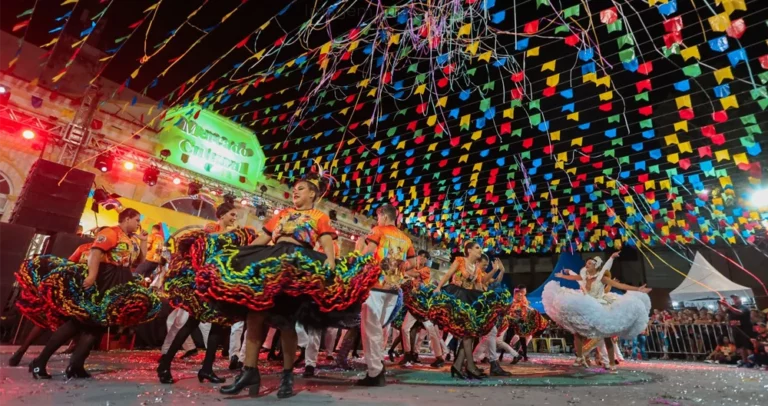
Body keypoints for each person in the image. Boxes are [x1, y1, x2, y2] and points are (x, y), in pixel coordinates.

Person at [195, 171, 379, 398]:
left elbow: (326, 240)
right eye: (295, 189)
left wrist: (330, 261)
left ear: (312, 193)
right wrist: (242, 255)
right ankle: (249, 371)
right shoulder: (283, 214)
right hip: (272, 261)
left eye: (301, 189)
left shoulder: (318, 216)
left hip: (296, 266)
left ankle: (287, 375)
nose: (295, 191)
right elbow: (264, 237)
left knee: (286, 322)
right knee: (255, 315)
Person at [19, 208, 161, 379]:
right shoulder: (111, 232)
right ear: (127, 218)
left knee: (98, 325)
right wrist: (92, 276)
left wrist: (144, 242)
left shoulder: (132, 240)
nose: (139, 224)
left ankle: (76, 365)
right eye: (137, 220)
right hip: (105, 279)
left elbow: (139, 261)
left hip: (120, 280)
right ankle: (40, 361)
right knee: (79, 322)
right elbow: (95, 252)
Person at [157, 201, 257, 384]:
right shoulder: (211, 229)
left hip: (220, 284)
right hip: (204, 285)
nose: (234, 219)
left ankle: (207, 368)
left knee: (218, 325)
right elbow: (209, 246)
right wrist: (234, 234)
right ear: (222, 216)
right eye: (232, 215)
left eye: (235, 216)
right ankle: (165, 363)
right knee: (190, 324)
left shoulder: (233, 235)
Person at [411, 241, 512, 379]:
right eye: (477, 248)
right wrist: (439, 287)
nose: (480, 250)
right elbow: (447, 275)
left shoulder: (476, 268)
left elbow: (479, 285)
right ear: (469, 250)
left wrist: (487, 296)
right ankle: (469, 366)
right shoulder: (460, 260)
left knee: (469, 333)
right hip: (457, 297)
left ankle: (458, 366)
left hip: (469, 299)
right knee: (467, 334)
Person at [8, 226, 106, 368]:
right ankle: (23, 351)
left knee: (75, 323)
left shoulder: (101, 252)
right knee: (48, 321)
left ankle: (65, 355)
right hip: (73, 291)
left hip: (82, 292)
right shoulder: (86, 248)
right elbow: (67, 265)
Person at [542, 252, 651, 373]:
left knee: (607, 336)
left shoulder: (602, 278)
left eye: (589, 263)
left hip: (600, 306)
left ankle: (611, 363)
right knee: (577, 331)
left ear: (596, 266)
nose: (586, 265)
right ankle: (579, 357)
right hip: (587, 306)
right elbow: (574, 277)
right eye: (586, 263)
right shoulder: (584, 276)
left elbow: (619, 285)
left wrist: (637, 289)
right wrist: (563, 276)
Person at [356, 204, 417, 386]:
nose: (377, 220)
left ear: (382, 215)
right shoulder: (405, 238)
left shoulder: (378, 230)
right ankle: (377, 367)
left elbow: (367, 254)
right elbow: (413, 262)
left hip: (376, 286)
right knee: (380, 330)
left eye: (378, 216)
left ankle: (375, 373)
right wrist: (401, 266)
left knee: (371, 331)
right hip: (393, 289)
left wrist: (359, 249)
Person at [399, 250, 447, 368]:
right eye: (420, 257)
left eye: (423, 258)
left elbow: (412, 274)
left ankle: (439, 357)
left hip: (423, 304)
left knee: (431, 330)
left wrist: (404, 267)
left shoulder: (425, 270)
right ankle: (407, 354)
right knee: (405, 328)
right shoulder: (414, 267)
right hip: (413, 303)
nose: (421, 259)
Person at [719, 295, 755, 364]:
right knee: (741, 347)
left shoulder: (744, 307)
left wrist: (728, 305)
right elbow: (722, 313)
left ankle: (752, 362)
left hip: (745, 330)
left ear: (740, 299)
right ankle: (745, 361)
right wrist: (720, 304)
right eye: (733, 299)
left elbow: (739, 312)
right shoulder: (731, 307)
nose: (734, 300)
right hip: (736, 330)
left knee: (748, 347)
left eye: (736, 298)